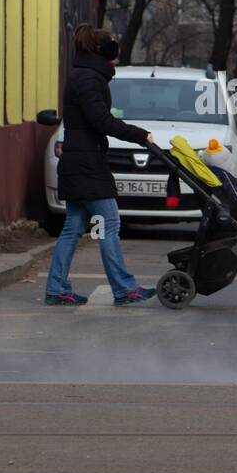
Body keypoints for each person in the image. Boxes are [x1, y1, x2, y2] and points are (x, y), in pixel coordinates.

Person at [44, 24, 157, 306]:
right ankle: (123, 288)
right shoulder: (88, 79)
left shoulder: (85, 75)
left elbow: (96, 120)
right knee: (109, 222)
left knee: (74, 226)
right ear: (100, 50)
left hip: (80, 160)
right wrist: (140, 135)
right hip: (86, 164)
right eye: (111, 44)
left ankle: (57, 289)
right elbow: (101, 121)